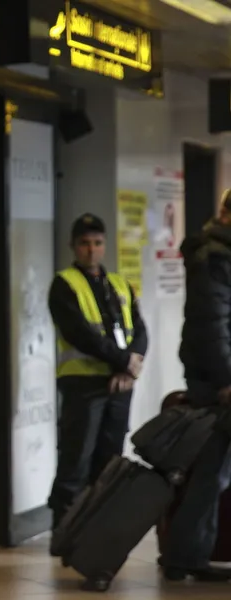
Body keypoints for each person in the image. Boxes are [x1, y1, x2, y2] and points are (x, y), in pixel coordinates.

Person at [47, 214, 148, 538]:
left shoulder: (119, 283)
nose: (91, 250)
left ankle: (99, 532)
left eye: (97, 243)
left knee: (110, 463)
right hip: (83, 384)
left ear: (105, 245)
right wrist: (123, 362)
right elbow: (80, 334)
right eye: (84, 244)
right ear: (73, 247)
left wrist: (128, 367)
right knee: (76, 460)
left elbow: (139, 330)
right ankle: (65, 532)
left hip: (119, 385)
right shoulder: (64, 284)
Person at [160, 191, 231, 582]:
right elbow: (212, 324)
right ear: (224, 213)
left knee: (213, 471)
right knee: (212, 472)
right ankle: (184, 555)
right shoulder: (214, 257)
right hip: (217, 379)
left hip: (216, 374)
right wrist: (226, 379)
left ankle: (186, 555)